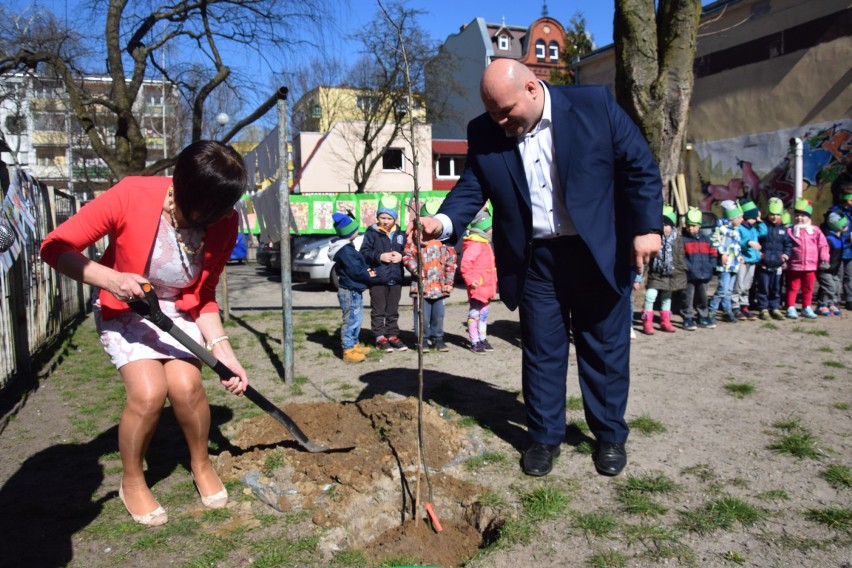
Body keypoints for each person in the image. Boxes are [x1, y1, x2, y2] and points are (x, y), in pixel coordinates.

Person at [412, 59, 663, 477]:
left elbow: (639, 166)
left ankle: (609, 437)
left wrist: (647, 228)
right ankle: (545, 437)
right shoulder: (486, 130)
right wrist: (443, 221)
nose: (500, 120)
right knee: (542, 351)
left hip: (596, 251)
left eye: (506, 110)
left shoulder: (594, 105)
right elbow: (472, 185)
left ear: (532, 88)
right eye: (492, 112)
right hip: (536, 261)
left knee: (603, 347)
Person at [39, 140, 249, 526]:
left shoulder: (225, 220)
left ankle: (200, 463)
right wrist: (111, 278)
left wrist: (224, 351)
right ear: (182, 188)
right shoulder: (132, 194)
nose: (215, 221)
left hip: (175, 310)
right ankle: (132, 481)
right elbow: (54, 247)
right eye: (207, 212)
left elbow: (202, 295)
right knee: (149, 393)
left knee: (187, 387)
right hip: (127, 307)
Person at [402, 200, 457, 352]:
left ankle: (438, 338)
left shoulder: (444, 240)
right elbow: (407, 256)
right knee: (422, 315)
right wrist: (416, 271)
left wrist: (449, 282)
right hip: (421, 287)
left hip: (439, 286)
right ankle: (422, 340)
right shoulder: (414, 238)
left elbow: (451, 262)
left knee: (438, 315)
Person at [361, 195, 408, 352]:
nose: (385, 221)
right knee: (378, 310)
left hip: (396, 278)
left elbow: (407, 252)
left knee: (393, 310)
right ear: (377, 217)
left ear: (395, 219)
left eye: (389, 218)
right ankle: (379, 336)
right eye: (382, 217)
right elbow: (364, 252)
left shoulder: (401, 235)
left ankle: (392, 334)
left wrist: (402, 256)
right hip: (378, 279)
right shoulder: (372, 233)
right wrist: (379, 256)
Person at [329, 212, 376, 362]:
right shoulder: (346, 251)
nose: (358, 231)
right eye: (355, 228)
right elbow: (355, 270)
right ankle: (348, 350)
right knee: (350, 320)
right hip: (350, 290)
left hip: (354, 289)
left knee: (357, 318)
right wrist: (369, 276)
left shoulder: (348, 248)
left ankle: (354, 345)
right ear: (349, 232)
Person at [638, 205, 686, 334]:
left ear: (672, 226)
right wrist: (641, 274)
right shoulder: (655, 239)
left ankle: (666, 321)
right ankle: (647, 322)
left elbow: (680, 257)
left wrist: (681, 272)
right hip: (656, 273)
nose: (664, 227)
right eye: (662, 224)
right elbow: (648, 258)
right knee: (650, 296)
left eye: (667, 224)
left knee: (667, 297)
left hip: (671, 273)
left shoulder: (677, 239)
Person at [460, 210, 498, 353]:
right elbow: (465, 265)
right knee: (475, 313)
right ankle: (474, 341)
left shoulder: (485, 243)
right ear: (482, 228)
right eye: (490, 227)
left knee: (484, 314)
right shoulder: (475, 244)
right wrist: (471, 280)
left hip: (487, 286)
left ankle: (482, 338)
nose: (493, 230)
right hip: (478, 286)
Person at [785, 198, 829, 319]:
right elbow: (786, 245)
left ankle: (806, 307)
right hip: (794, 265)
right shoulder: (790, 231)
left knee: (808, 288)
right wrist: (784, 259)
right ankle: (790, 307)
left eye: (802, 216)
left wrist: (824, 259)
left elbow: (823, 245)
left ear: (808, 217)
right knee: (793, 287)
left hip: (811, 265)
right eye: (797, 215)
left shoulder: (815, 231)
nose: (799, 218)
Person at [680, 207, 718, 330]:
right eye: (689, 225)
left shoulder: (706, 240)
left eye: (694, 226)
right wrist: (688, 268)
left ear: (699, 226)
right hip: (690, 275)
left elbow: (713, 254)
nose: (691, 228)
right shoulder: (683, 240)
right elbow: (681, 256)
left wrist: (710, 266)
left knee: (703, 296)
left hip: (704, 274)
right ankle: (688, 318)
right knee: (688, 297)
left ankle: (703, 316)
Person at [708, 200, 744, 325]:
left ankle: (727, 312)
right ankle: (711, 311)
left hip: (733, 264)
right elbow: (714, 240)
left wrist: (739, 257)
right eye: (739, 217)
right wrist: (722, 253)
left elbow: (736, 245)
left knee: (729, 290)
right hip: (724, 264)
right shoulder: (721, 228)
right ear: (732, 218)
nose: (741, 220)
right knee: (722, 289)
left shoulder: (736, 229)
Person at [755, 197, 791, 320]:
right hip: (763, 264)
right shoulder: (763, 226)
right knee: (763, 287)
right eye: (771, 214)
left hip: (777, 264)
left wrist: (785, 255)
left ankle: (775, 307)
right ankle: (763, 308)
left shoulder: (783, 229)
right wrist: (759, 254)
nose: (774, 217)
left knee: (776, 288)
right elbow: (757, 240)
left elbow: (788, 244)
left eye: (777, 214)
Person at [732, 200, 761, 320]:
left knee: (747, 286)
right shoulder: (739, 228)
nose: (755, 220)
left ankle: (744, 307)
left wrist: (760, 221)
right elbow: (737, 242)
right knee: (738, 285)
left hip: (752, 260)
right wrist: (748, 243)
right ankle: (735, 307)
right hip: (743, 260)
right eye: (753, 217)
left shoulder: (754, 228)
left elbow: (763, 232)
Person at [817, 212, 849, 316]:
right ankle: (821, 306)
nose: (847, 227)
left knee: (835, 287)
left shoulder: (839, 238)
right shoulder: (829, 239)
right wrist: (823, 263)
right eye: (844, 225)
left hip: (834, 269)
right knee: (829, 287)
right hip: (825, 269)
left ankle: (831, 304)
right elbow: (824, 252)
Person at [826, 183, 852, 310]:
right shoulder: (836, 212)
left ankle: (849, 299)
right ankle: (834, 300)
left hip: (850, 250)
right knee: (837, 276)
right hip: (839, 249)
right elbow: (837, 228)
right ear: (848, 199)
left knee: (850, 275)